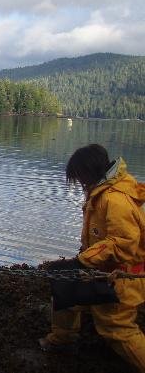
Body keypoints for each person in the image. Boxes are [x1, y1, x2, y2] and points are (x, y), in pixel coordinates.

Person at [39, 144, 145, 372]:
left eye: (78, 177)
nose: (77, 182)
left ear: (88, 172)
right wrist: (82, 259)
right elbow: (97, 237)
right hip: (101, 269)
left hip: (123, 278)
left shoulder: (115, 200)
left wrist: (83, 261)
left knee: (117, 329)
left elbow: (123, 244)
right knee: (65, 292)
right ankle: (63, 340)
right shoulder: (100, 192)